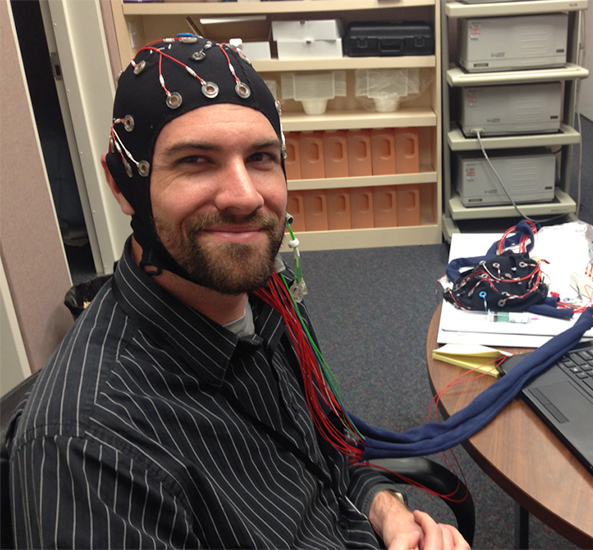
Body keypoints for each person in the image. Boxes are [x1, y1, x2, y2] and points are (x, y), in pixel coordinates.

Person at [5, 36, 468, 550]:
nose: (245, 196)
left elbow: (327, 457)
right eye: (197, 161)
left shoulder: (268, 299)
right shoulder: (91, 447)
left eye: (262, 158)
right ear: (122, 184)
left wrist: (385, 508)